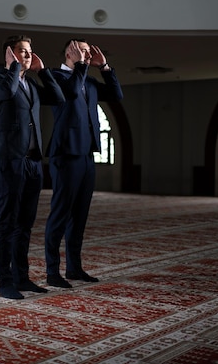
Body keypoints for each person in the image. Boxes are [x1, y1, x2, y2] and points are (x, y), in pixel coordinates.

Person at [0, 35, 65, 299]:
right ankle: (5, 282)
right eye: (22, 51)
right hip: (8, 161)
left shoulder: (30, 84)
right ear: (9, 53)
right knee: (7, 224)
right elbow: (7, 93)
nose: (28, 55)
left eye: (30, 51)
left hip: (32, 162)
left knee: (25, 225)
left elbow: (58, 98)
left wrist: (43, 72)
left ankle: (22, 278)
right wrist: (12, 68)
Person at [44, 39, 124, 288]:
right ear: (69, 52)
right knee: (60, 214)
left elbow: (116, 95)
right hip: (66, 154)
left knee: (79, 216)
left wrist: (105, 68)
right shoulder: (55, 76)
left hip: (87, 154)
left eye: (89, 51)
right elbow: (70, 92)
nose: (87, 54)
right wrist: (81, 66)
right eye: (82, 50)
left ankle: (74, 269)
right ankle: (52, 272)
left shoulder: (88, 79)